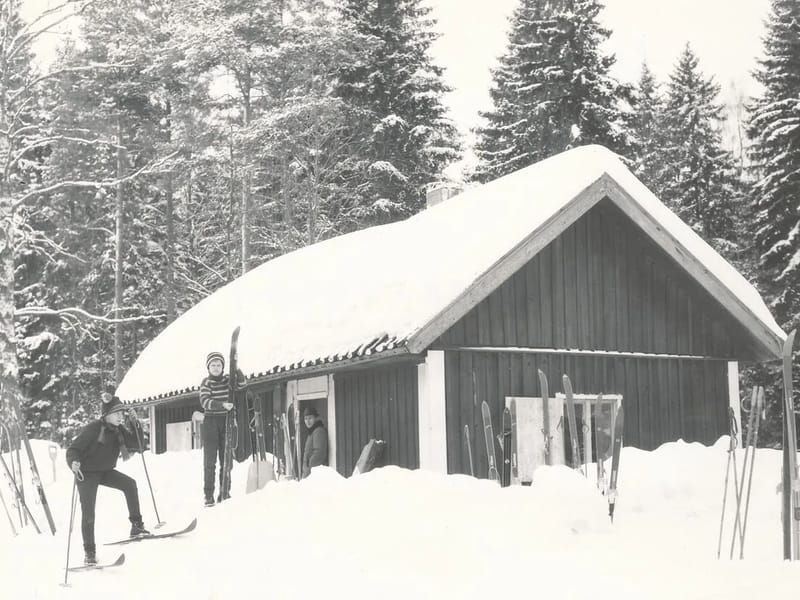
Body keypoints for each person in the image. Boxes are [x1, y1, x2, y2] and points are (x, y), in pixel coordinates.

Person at [66, 392, 149, 566]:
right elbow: (73, 450)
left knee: (129, 484)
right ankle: (89, 552)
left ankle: (137, 526)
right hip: (86, 473)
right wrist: (73, 462)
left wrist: (135, 424)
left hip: (105, 471)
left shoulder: (118, 430)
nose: (121, 417)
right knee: (89, 512)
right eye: (117, 413)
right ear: (106, 415)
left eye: (122, 413)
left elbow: (138, 444)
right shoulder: (93, 429)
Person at [199, 351, 235, 506]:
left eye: (219, 365)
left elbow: (241, 384)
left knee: (226, 459)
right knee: (210, 461)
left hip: (226, 421)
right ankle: (208, 495)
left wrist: (237, 367)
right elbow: (204, 401)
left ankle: (225, 491)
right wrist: (222, 405)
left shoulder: (229, 381)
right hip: (211, 422)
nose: (215, 367)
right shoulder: (206, 382)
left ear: (223, 367)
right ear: (208, 367)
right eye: (213, 365)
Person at [301, 406, 328, 478]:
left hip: (314, 474)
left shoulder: (318, 431)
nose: (308, 421)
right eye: (305, 419)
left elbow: (319, 453)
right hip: (309, 472)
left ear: (316, 418)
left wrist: (309, 468)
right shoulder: (312, 431)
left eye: (310, 418)